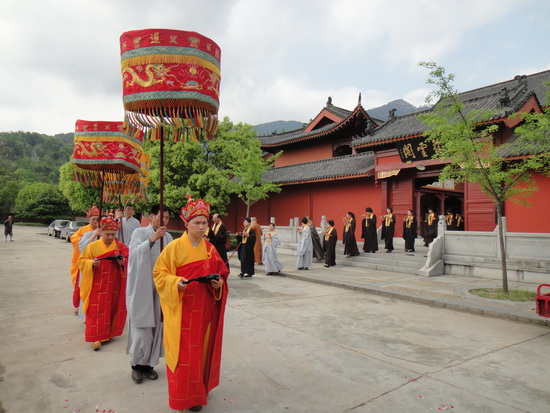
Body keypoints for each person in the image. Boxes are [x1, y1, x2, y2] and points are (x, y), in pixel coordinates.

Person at [153, 195, 229, 413]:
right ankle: (180, 399)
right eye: (197, 223)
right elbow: (159, 274)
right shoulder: (174, 248)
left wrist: (218, 284)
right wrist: (176, 282)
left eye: (205, 223)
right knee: (183, 357)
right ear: (186, 224)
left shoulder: (210, 249)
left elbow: (222, 274)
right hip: (182, 312)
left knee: (200, 355)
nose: (202, 227)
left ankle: (196, 396)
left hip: (204, 311)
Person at [126, 205, 173, 384]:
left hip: (160, 289)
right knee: (141, 328)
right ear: (152, 216)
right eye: (162, 217)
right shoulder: (139, 233)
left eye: (167, 218)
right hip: (142, 288)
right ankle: (136, 365)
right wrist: (152, 239)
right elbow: (134, 254)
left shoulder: (168, 237)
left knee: (156, 328)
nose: (165, 221)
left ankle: (149, 365)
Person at [78, 216, 128, 351]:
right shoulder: (92, 246)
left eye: (113, 234)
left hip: (113, 284)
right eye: (108, 234)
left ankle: (107, 334)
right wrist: (91, 263)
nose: (111, 237)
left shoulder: (119, 246)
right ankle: (96, 338)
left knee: (110, 309)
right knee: (96, 311)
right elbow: (81, 262)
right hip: (97, 284)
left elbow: (128, 259)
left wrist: (122, 263)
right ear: (101, 233)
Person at [70, 205, 100, 312]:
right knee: (81, 284)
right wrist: (82, 239)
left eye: (97, 219)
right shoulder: (84, 230)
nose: (95, 221)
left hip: (97, 262)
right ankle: (79, 306)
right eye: (93, 219)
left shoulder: (102, 231)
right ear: (89, 219)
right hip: (84, 260)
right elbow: (74, 239)